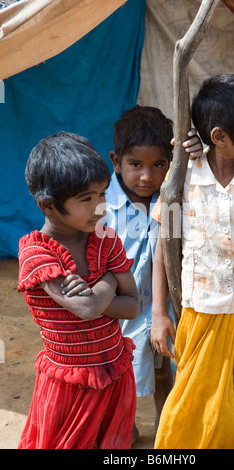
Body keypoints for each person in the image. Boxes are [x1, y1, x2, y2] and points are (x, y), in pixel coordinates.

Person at [151, 74, 234, 449]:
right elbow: (163, 246)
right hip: (204, 308)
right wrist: (160, 313)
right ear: (219, 137)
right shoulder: (181, 177)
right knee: (195, 402)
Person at [17, 131, 140, 449]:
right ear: (48, 205)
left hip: (113, 371)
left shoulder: (106, 239)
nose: (100, 207)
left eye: (102, 194)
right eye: (86, 198)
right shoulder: (38, 253)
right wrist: (110, 282)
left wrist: (99, 289)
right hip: (70, 384)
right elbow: (86, 309)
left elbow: (132, 306)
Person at [99, 105, 202, 442]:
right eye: (135, 165)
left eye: (159, 165)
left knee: (162, 372)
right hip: (119, 314)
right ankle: (122, 429)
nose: (147, 176)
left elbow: (172, 248)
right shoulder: (99, 207)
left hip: (163, 308)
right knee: (116, 378)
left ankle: (165, 428)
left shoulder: (170, 200)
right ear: (116, 161)